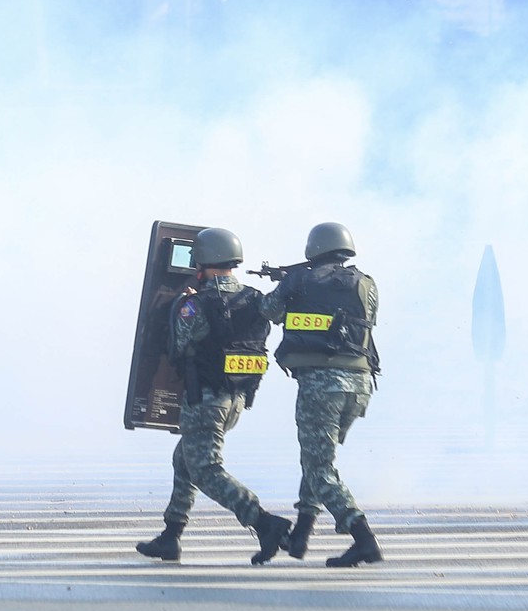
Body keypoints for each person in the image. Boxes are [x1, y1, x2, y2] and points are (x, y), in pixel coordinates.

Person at [134, 227, 296, 566]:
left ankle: (265, 523)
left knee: (206, 469)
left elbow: (177, 349)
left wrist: (180, 302)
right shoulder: (255, 299)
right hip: (237, 399)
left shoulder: (194, 304)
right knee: (185, 461)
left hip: (205, 399)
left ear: (202, 262)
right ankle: (171, 535)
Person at [261, 221, 383, 567]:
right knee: (318, 457)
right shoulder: (366, 284)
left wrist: (286, 286)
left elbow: (268, 312)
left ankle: (363, 537)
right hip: (359, 384)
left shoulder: (299, 280)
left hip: (321, 386)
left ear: (313, 249)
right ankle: (301, 533)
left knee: (319, 468)